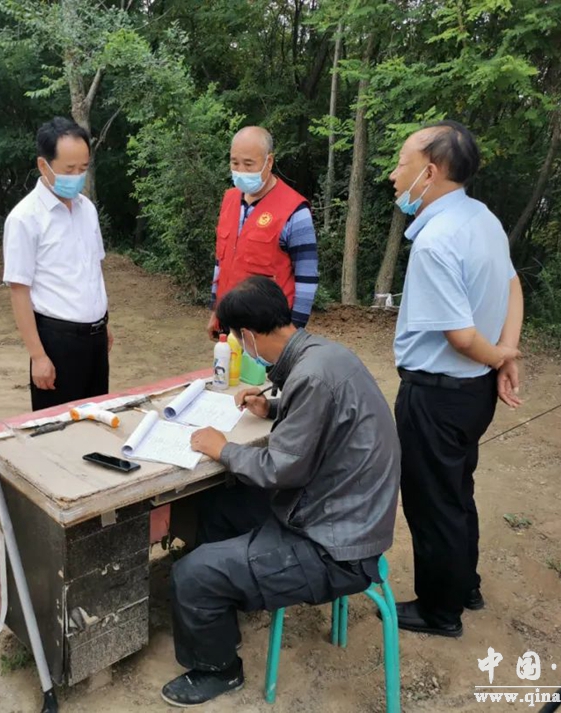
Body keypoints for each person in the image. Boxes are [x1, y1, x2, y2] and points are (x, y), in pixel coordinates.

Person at [161, 276, 401, 707]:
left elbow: (279, 469)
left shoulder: (311, 376)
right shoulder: (324, 354)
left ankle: (219, 669)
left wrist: (223, 448)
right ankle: (223, 607)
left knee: (191, 575)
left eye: (237, 338)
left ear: (247, 335)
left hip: (334, 547)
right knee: (217, 506)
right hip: (342, 513)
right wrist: (271, 407)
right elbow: (319, 419)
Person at [388, 120, 524, 638]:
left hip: (437, 395)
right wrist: (506, 354)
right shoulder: (482, 218)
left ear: (430, 172)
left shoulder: (436, 241)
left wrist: (498, 354)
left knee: (433, 502)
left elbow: (462, 336)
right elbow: (513, 286)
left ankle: (439, 610)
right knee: (457, 491)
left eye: (402, 164)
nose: (394, 175)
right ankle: (464, 585)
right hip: (473, 393)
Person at [2, 117, 113, 411]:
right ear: (44, 166)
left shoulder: (87, 209)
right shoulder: (25, 218)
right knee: (59, 427)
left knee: (96, 420)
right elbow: (19, 291)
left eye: (83, 168)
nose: (77, 176)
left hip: (95, 339)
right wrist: (38, 356)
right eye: (69, 169)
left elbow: (93, 270)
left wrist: (103, 324)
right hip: (57, 342)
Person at [207, 127, 319, 339]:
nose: (241, 170)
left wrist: (294, 332)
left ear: (269, 162)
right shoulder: (229, 200)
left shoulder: (295, 211)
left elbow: (307, 278)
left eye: (249, 164)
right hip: (230, 325)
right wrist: (216, 310)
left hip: (270, 333)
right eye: (235, 163)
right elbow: (221, 262)